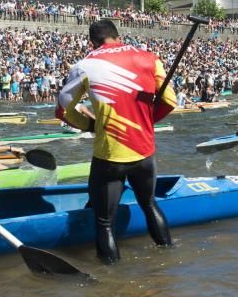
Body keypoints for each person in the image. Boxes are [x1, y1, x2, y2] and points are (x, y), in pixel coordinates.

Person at [55, 19, 175, 264]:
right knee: (149, 204)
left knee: (104, 221)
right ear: (118, 36)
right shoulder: (149, 57)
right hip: (144, 151)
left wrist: (88, 125)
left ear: (93, 42)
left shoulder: (85, 65)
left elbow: (63, 108)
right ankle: (168, 255)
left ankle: (111, 281)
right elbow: (170, 101)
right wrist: (147, 121)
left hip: (109, 155)